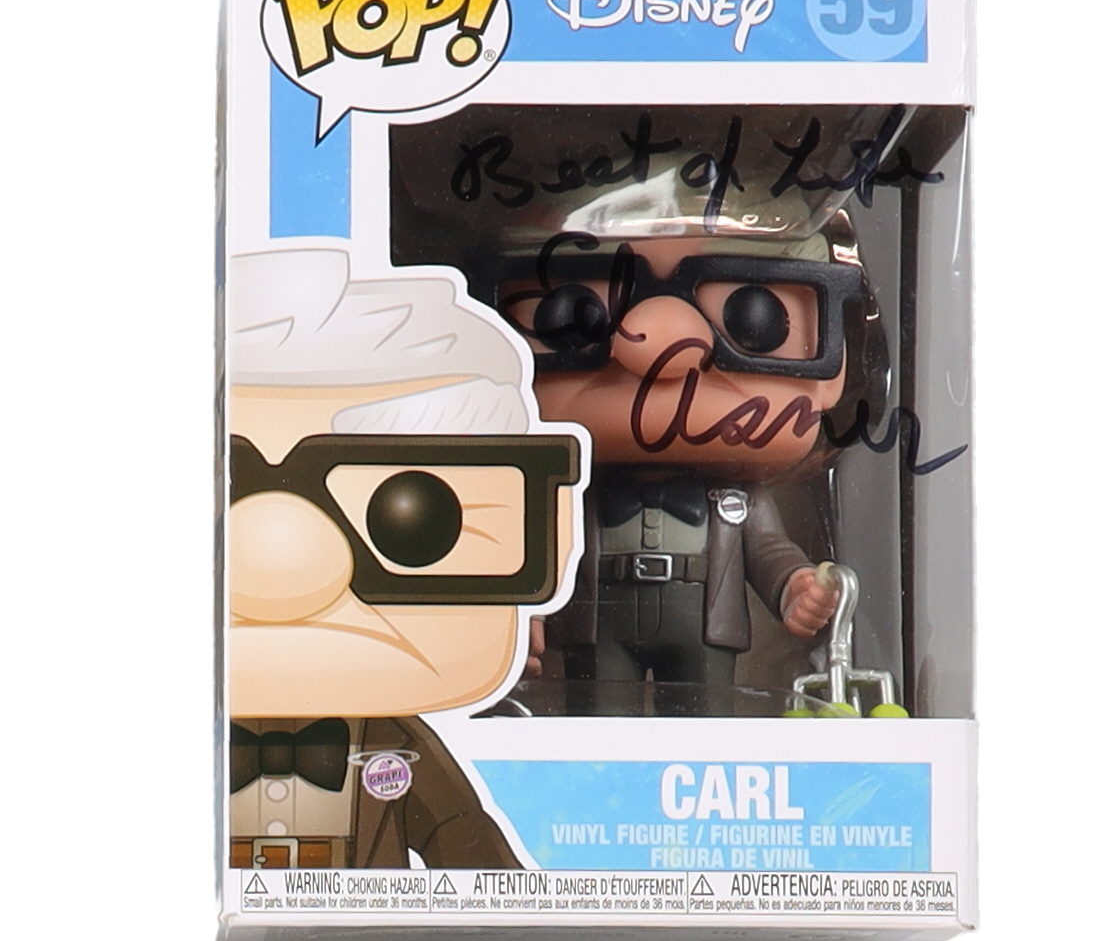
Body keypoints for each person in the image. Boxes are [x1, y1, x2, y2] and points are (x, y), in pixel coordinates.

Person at [226, 248, 582, 867]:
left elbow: (466, 844)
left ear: (549, 529)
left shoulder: (389, 736)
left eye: (415, 519)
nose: (284, 574)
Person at [476, 185, 887, 715]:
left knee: (707, 726)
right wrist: (521, 613)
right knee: (596, 727)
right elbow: (540, 555)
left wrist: (796, 587)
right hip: (599, 624)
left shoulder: (737, 498)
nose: (660, 346)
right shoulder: (569, 492)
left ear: (834, 364)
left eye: (754, 318)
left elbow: (768, 552)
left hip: (704, 625)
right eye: (569, 315)